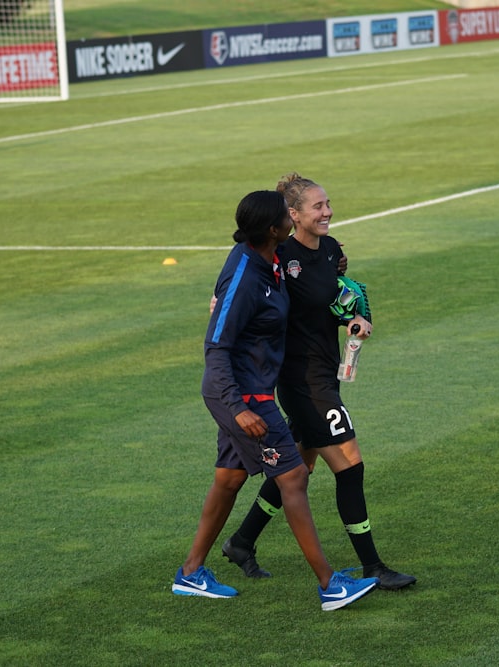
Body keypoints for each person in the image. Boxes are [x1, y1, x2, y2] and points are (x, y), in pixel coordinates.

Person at [172, 189, 380, 611]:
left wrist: (335, 264)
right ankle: (330, 585)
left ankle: (191, 573)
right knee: (293, 478)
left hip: (254, 391)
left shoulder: (272, 259)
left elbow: (306, 263)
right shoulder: (247, 276)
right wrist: (238, 408)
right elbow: (216, 349)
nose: (292, 219)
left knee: (229, 480)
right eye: (287, 216)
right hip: (244, 397)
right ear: (274, 229)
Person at [220, 174, 417, 590]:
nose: (327, 212)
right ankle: (373, 567)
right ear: (292, 215)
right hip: (302, 381)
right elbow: (242, 285)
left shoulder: (330, 251)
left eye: (328, 204)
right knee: (350, 466)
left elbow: (331, 300)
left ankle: (241, 542)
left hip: (326, 372)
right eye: (317, 207)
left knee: (298, 469)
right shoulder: (278, 256)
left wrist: (353, 320)